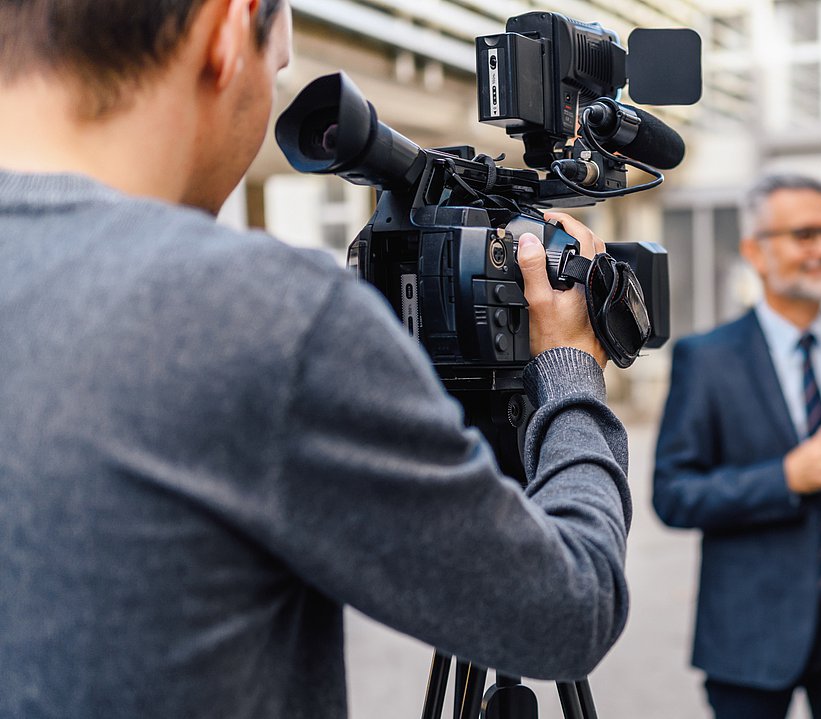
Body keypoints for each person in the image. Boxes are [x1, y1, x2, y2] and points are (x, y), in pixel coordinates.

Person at [0, 2, 631, 718]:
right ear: (228, 29)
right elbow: (567, 610)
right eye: (276, 68)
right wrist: (572, 367)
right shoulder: (258, 311)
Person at [652, 174, 821, 719]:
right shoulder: (706, 359)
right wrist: (787, 478)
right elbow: (673, 495)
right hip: (748, 635)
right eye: (805, 235)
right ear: (756, 250)